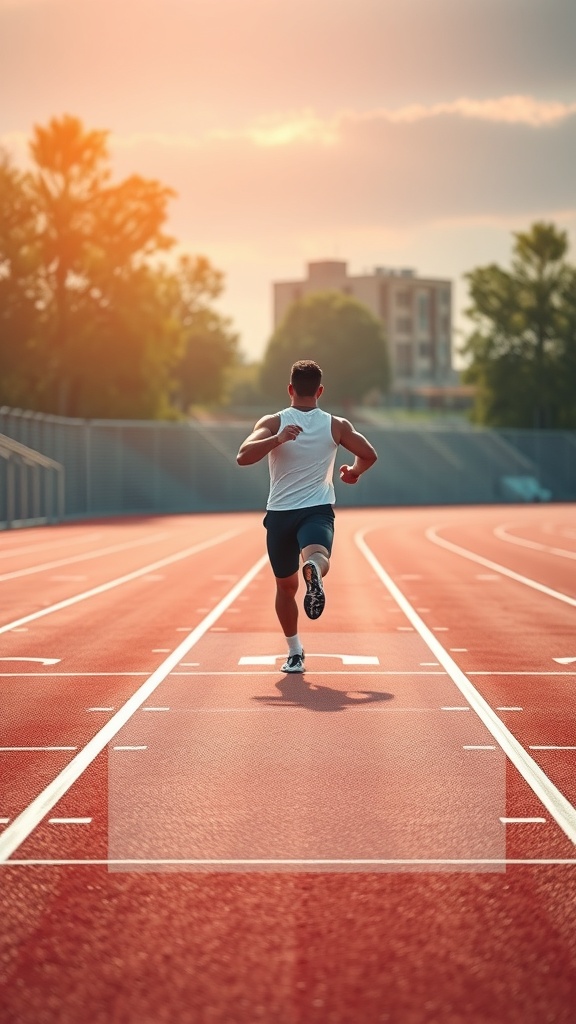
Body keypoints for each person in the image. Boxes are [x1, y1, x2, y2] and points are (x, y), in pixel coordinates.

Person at [236, 359, 378, 673]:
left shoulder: (273, 422)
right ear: (320, 391)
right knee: (317, 554)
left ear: (290, 389)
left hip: (280, 516)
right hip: (316, 510)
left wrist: (278, 439)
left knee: (285, 589)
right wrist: (353, 472)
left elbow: (243, 455)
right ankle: (313, 567)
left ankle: (295, 652)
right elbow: (369, 454)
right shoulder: (336, 425)